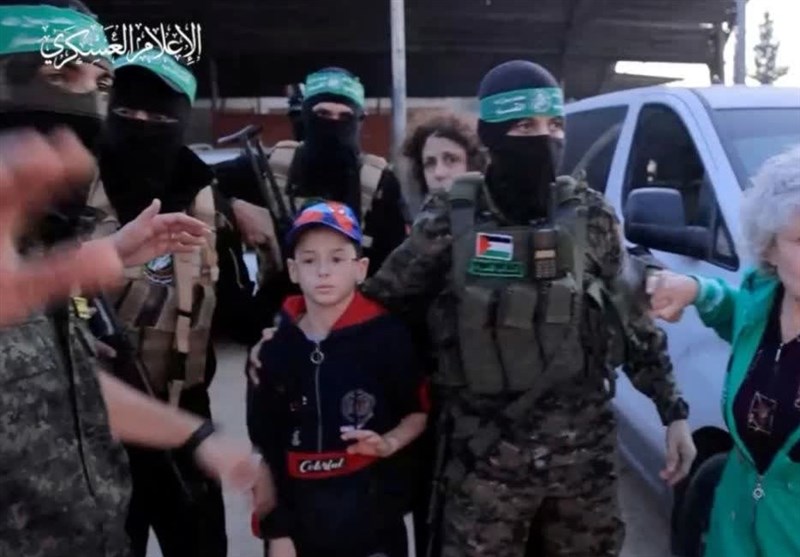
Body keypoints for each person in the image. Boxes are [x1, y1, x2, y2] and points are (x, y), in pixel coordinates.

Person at [358, 60, 696, 557]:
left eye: (554, 125)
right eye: (524, 126)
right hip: (484, 463)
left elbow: (633, 318)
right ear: (491, 136)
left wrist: (674, 413)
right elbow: (380, 305)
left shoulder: (591, 215)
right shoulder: (452, 217)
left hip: (583, 464)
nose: (544, 139)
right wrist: (296, 339)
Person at [0, 3, 266, 557]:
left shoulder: (44, 238)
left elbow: (66, 384)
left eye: (99, 84)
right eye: (59, 74)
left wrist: (196, 436)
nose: (86, 105)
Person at [87, 50, 250, 557]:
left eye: (157, 117)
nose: (140, 125)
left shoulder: (209, 202)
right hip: (96, 428)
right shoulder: (75, 192)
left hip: (184, 416)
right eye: (127, 112)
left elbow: (236, 312)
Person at [248, 201, 429, 557]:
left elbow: (417, 412)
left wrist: (388, 443)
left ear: (360, 268)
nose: (323, 272)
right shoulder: (276, 348)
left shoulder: (387, 336)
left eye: (336, 259)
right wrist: (277, 531)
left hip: (373, 523)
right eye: (309, 260)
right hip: (300, 522)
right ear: (293, 270)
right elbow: (266, 445)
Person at [647, 144, 800, 557]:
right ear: (769, 248)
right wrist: (697, 289)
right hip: (733, 532)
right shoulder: (763, 299)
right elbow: (738, 313)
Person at [266, 66, 409, 276]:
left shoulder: (379, 182)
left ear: (359, 120)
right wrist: (239, 207)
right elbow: (214, 188)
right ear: (306, 115)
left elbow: (395, 265)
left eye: (344, 116)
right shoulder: (275, 166)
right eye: (322, 114)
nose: (333, 124)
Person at [402, 111, 487, 211]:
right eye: (430, 163)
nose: (439, 173)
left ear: (474, 164)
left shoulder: (499, 216)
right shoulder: (421, 219)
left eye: (451, 160)